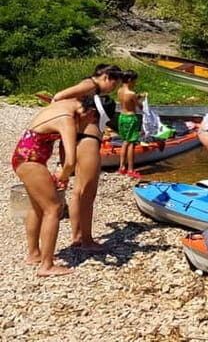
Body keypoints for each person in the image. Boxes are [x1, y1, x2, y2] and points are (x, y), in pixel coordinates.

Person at [10, 95, 111, 276]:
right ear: (91, 112)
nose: (89, 124)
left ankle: (34, 254)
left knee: (37, 206)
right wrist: (62, 178)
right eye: (93, 121)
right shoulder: (67, 120)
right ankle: (47, 266)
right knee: (53, 209)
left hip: (24, 156)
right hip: (31, 160)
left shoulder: (66, 105)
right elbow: (71, 161)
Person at [68, 95, 117, 251]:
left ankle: (77, 236)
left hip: (80, 142)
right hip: (90, 144)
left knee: (77, 192)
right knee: (88, 195)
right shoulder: (100, 116)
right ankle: (87, 241)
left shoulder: (83, 115)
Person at [116, 70, 147, 178]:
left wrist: (139, 96)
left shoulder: (120, 91)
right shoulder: (132, 93)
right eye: (134, 81)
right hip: (131, 118)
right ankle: (130, 169)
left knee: (125, 142)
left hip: (122, 117)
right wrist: (143, 101)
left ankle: (122, 167)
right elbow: (140, 106)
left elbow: (128, 100)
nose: (135, 83)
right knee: (131, 144)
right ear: (130, 80)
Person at [52, 64, 123, 102]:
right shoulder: (90, 85)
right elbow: (58, 97)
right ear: (105, 77)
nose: (114, 89)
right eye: (114, 85)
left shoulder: (95, 87)